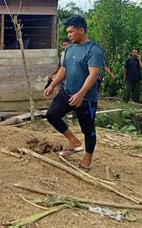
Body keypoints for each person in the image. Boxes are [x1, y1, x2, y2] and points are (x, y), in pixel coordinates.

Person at [44, 15, 104, 171]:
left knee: (88, 129)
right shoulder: (69, 48)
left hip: (86, 98)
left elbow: (93, 74)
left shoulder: (93, 50)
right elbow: (64, 69)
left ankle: (88, 158)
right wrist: (52, 85)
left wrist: (81, 94)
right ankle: (73, 141)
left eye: (71, 32)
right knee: (52, 115)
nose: (69, 35)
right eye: (68, 32)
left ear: (81, 30)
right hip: (67, 92)